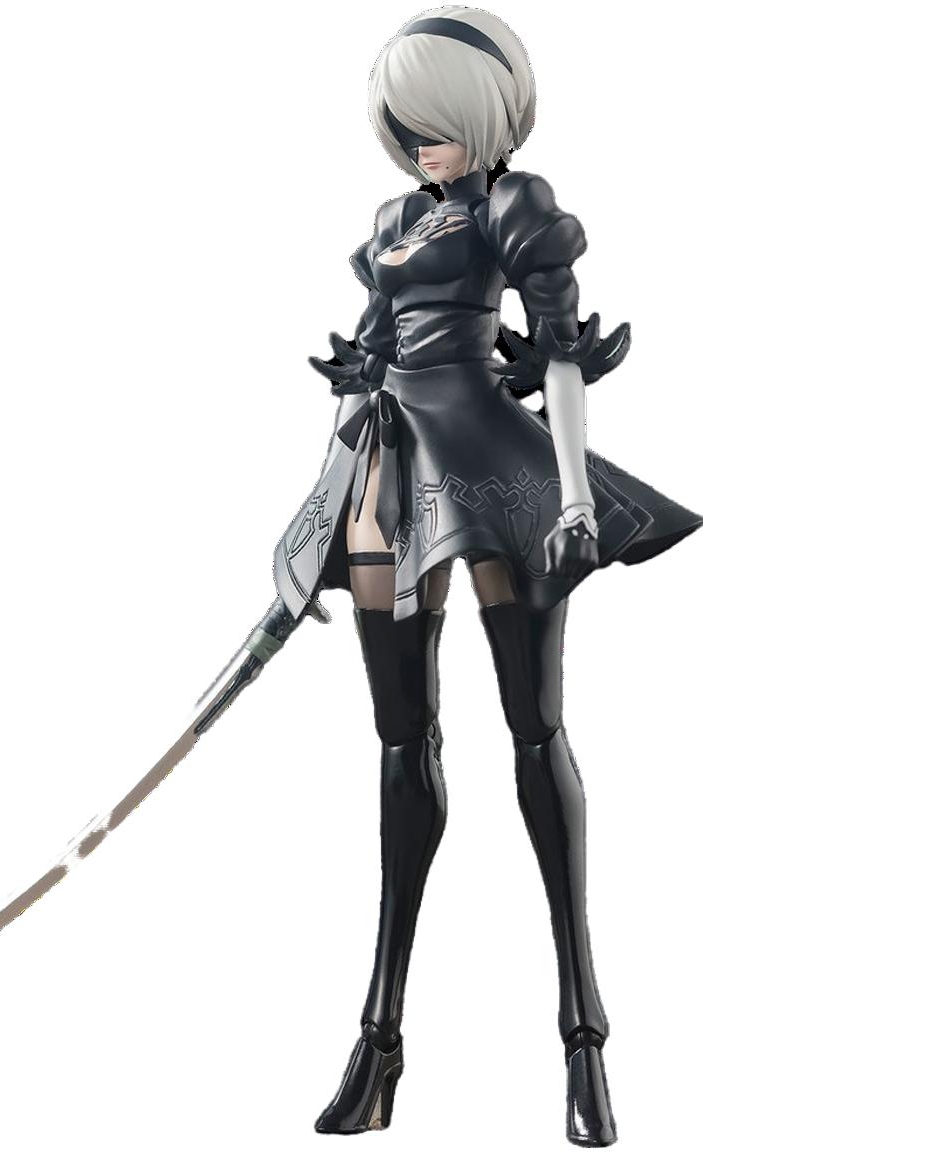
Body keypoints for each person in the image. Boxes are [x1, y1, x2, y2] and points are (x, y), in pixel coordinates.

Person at [269, 8, 701, 1147]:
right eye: (404, 121)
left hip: (497, 472)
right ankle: (380, 1041)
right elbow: (368, 365)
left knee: (533, 731)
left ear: (485, 112)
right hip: (393, 473)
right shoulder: (391, 222)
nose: (421, 140)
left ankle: (583, 1039)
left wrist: (574, 498)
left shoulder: (517, 206)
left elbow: (559, 358)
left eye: (438, 118)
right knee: (401, 743)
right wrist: (316, 524)